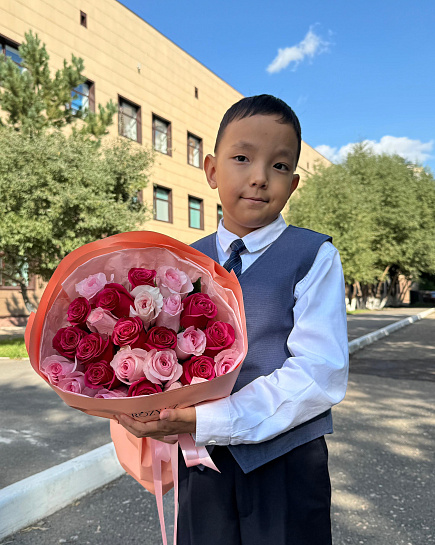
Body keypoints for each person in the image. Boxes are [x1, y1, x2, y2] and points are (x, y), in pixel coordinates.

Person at [117, 94, 349, 545]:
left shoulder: (312, 255)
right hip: (201, 461)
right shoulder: (182, 262)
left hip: (285, 462)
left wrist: (209, 420)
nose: (260, 177)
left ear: (294, 182)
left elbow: (320, 372)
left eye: (279, 166)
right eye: (242, 158)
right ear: (211, 170)